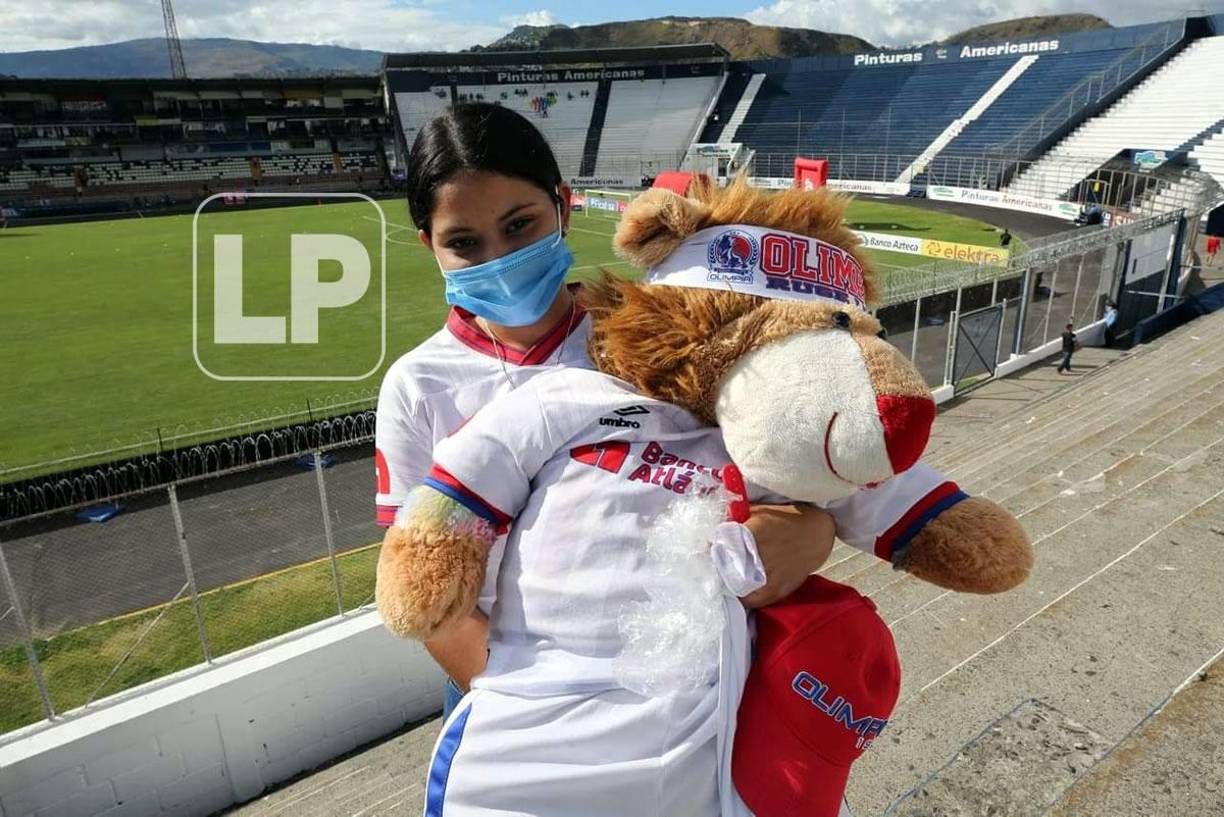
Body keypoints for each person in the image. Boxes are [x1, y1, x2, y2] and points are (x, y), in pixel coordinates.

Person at [374, 103, 837, 720]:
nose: (498, 258)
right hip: (503, 687)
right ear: (429, 246)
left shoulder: (647, 336)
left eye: (520, 225)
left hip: (681, 667)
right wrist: (524, 702)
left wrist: (814, 530)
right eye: (464, 243)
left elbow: (766, 469)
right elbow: (425, 584)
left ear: (564, 207)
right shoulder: (416, 386)